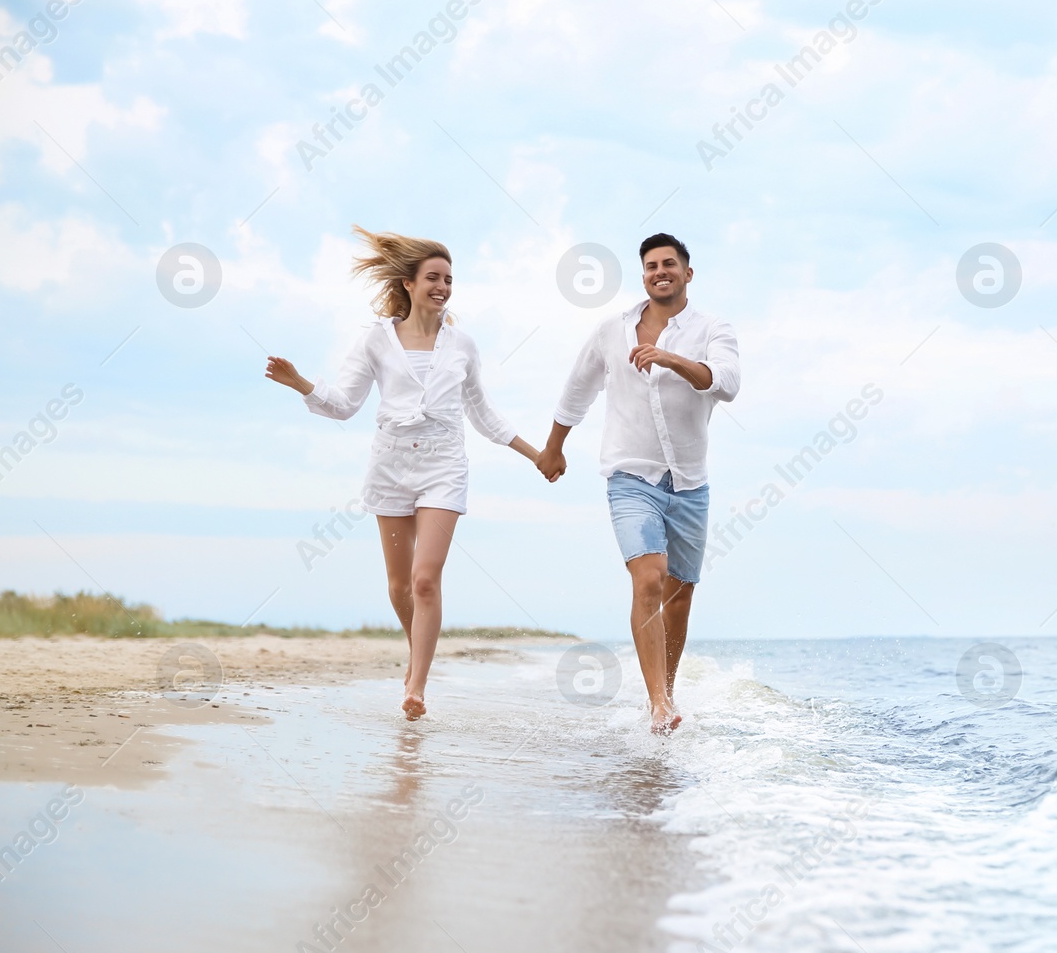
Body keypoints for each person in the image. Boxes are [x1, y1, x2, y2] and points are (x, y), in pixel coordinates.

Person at [265, 226, 540, 721]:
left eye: (449, 279)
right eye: (433, 277)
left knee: (425, 580)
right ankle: (416, 655)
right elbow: (345, 404)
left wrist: (537, 454)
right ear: (409, 284)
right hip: (390, 465)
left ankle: (416, 685)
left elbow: (484, 414)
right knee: (398, 586)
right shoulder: (375, 339)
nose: (443, 286)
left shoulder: (462, 346)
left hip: (443, 464)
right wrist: (299, 383)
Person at [536, 233, 740, 735]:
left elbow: (728, 383)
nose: (659, 271)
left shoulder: (714, 328)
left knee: (680, 594)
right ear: (643, 275)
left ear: (688, 273)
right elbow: (577, 390)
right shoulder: (612, 330)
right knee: (649, 578)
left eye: (669, 264)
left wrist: (669, 358)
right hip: (630, 478)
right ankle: (657, 705)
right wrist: (554, 447)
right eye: (650, 266)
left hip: (690, 483)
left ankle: (665, 690)